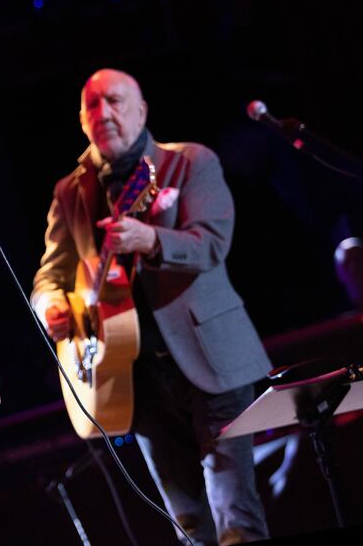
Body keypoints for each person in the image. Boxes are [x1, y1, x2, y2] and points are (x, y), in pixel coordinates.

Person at [31, 68, 270, 545]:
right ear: (82, 120)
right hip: (132, 379)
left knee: (234, 514)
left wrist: (152, 239)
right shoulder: (70, 192)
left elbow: (213, 243)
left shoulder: (190, 163)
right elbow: (47, 276)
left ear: (142, 111)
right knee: (189, 524)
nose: (105, 114)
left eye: (116, 102)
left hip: (211, 361)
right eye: (93, 105)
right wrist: (50, 304)